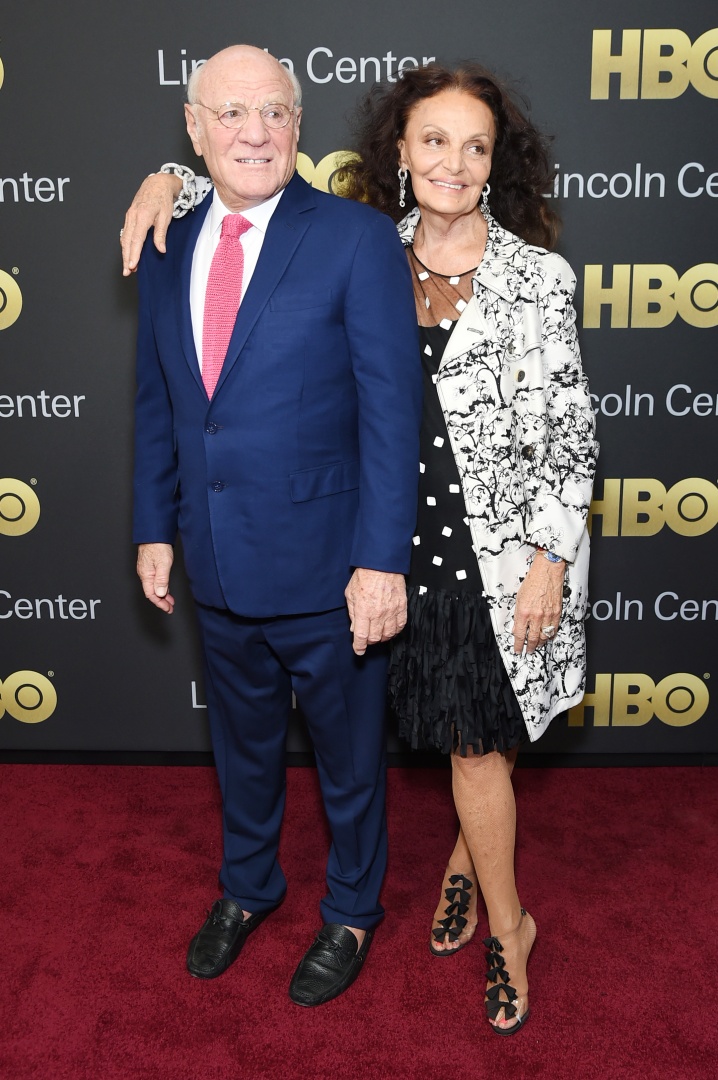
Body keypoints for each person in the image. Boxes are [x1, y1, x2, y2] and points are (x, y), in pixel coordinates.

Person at [122, 61, 598, 1035]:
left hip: (446, 555)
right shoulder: (350, 239)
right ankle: (289, 883)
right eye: (433, 141)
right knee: (313, 746)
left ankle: (473, 924)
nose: (452, 162)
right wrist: (160, 179)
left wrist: (545, 558)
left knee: (457, 749)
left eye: (474, 146)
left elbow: (544, 432)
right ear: (397, 150)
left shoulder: (484, 268)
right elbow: (167, 383)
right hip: (318, 545)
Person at [127, 44, 421, 1008]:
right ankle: (249, 888)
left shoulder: (354, 238)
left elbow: (391, 413)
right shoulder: (166, 238)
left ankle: (350, 911)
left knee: (347, 763)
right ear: (195, 127)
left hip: (330, 569)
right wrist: (153, 526)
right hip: (213, 559)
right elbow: (162, 401)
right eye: (232, 114)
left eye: (275, 113)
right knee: (241, 752)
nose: (254, 133)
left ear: (299, 125)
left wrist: (381, 561)